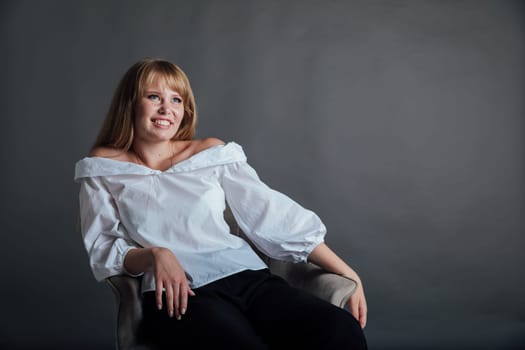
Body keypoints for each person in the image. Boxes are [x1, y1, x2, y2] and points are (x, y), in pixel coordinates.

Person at [74, 58, 368, 349]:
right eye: (154, 97)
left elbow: (270, 214)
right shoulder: (104, 166)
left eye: (177, 99)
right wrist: (154, 255)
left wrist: (347, 272)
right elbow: (103, 245)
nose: (167, 109)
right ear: (130, 104)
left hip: (248, 278)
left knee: (338, 328)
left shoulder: (210, 153)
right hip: (180, 294)